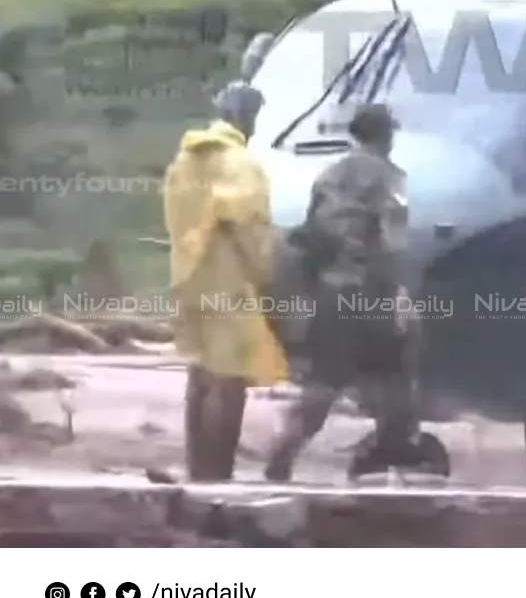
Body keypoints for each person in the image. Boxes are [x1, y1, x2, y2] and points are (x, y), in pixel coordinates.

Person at [263, 103, 425, 481]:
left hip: (332, 294)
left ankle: (285, 444)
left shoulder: (329, 176)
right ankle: (388, 465)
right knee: (397, 383)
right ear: (386, 135)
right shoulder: (389, 179)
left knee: (323, 382)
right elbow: (391, 241)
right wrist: (401, 294)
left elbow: (308, 236)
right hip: (372, 294)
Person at [164, 81, 285, 482]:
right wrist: (266, 275)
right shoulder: (240, 163)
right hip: (229, 283)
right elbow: (249, 227)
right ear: (245, 117)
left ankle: (196, 471)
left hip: (188, 278)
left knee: (199, 372)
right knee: (229, 379)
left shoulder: (184, 159)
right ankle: (218, 475)